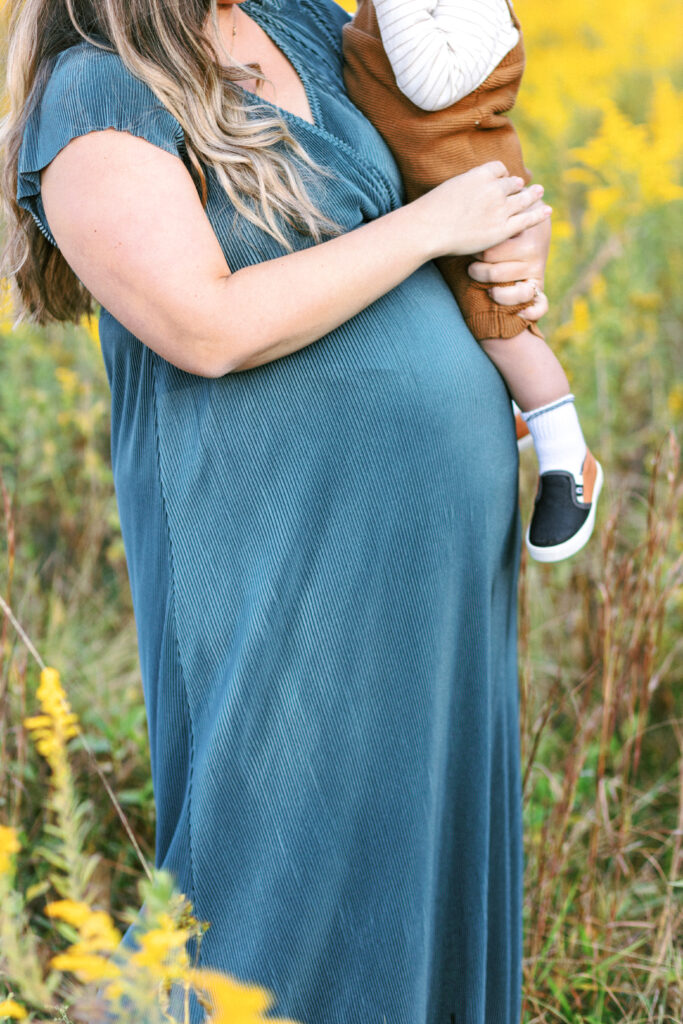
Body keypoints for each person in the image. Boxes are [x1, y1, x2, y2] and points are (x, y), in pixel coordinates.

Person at [1, 0, 551, 1019]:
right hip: (279, 546)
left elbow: (446, 165)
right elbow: (203, 326)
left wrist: (510, 246)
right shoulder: (95, 94)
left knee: (411, 835)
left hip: (431, 562)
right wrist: (436, 224)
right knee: (275, 863)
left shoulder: (300, 22)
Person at [343, 0, 604, 562]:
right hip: (431, 193)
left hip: (476, 194)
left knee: (501, 327)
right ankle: (501, 411)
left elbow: (431, 86)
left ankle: (567, 457)